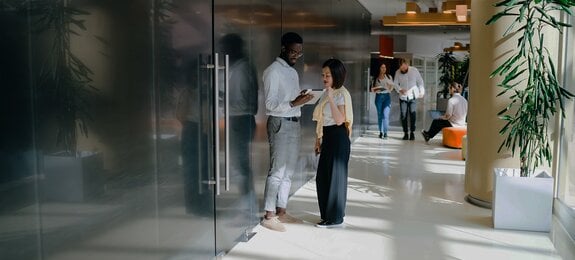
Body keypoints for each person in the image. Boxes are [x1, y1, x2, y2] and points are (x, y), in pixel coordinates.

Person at [261, 32, 314, 232]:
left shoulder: (292, 73)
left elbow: (290, 100)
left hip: (294, 122)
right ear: (283, 48)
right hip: (280, 123)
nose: (296, 56)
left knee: (289, 172)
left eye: (299, 53)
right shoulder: (272, 71)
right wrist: (293, 102)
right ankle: (269, 215)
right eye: (293, 52)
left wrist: (300, 98)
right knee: (277, 171)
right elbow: (270, 104)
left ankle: (282, 211)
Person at [218, 33, 258, 214]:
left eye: (224, 48)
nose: (221, 52)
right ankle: (247, 202)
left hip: (240, 120)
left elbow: (244, 103)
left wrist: (221, 101)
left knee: (240, 164)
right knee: (240, 163)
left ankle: (248, 205)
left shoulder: (242, 69)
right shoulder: (239, 68)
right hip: (239, 119)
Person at [312, 58, 353, 228]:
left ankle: (335, 218)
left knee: (335, 178)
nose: (324, 78)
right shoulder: (327, 92)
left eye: (328, 75)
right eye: (323, 75)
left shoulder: (341, 94)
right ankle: (327, 215)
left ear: (336, 75)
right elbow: (322, 119)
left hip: (338, 136)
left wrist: (330, 98)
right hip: (328, 136)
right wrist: (318, 139)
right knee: (323, 177)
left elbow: (339, 120)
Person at [392, 58, 425, 140]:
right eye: (401, 68)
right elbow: (395, 83)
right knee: (403, 115)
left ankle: (412, 132)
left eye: (404, 68)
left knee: (412, 114)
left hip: (413, 96)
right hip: (403, 96)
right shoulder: (397, 72)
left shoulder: (414, 70)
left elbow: (420, 81)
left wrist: (422, 91)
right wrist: (400, 89)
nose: (402, 70)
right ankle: (406, 133)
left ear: (407, 65)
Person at [371, 62, 394, 139]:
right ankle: (381, 132)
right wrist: (376, 90)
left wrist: (389, 87)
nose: (384, 69)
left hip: (387, 97)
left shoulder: (389, 77)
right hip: (378, 97)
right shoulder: (375, 78)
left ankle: (385, 132)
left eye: (385, 67)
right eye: (382, 67)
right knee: (380, 115)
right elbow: (372, 89)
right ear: (379, 68)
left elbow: (392, 88)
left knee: (385, 115)